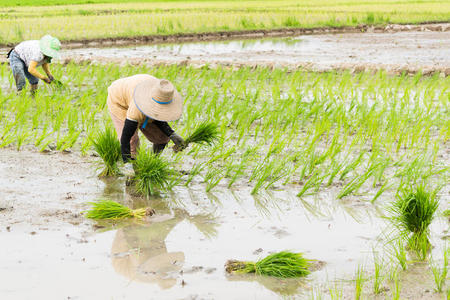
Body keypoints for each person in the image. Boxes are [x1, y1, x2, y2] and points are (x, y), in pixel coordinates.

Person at [107, 74, 186, 176]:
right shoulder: (136, 108)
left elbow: (158, 116)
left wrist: (171, 134)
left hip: (140, 93)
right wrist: (127, 163)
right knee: (133, 140)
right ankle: (134, 171)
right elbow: (126, 137)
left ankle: (152, 162)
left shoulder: (162, 92)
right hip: (119, 100)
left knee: (162, 137)